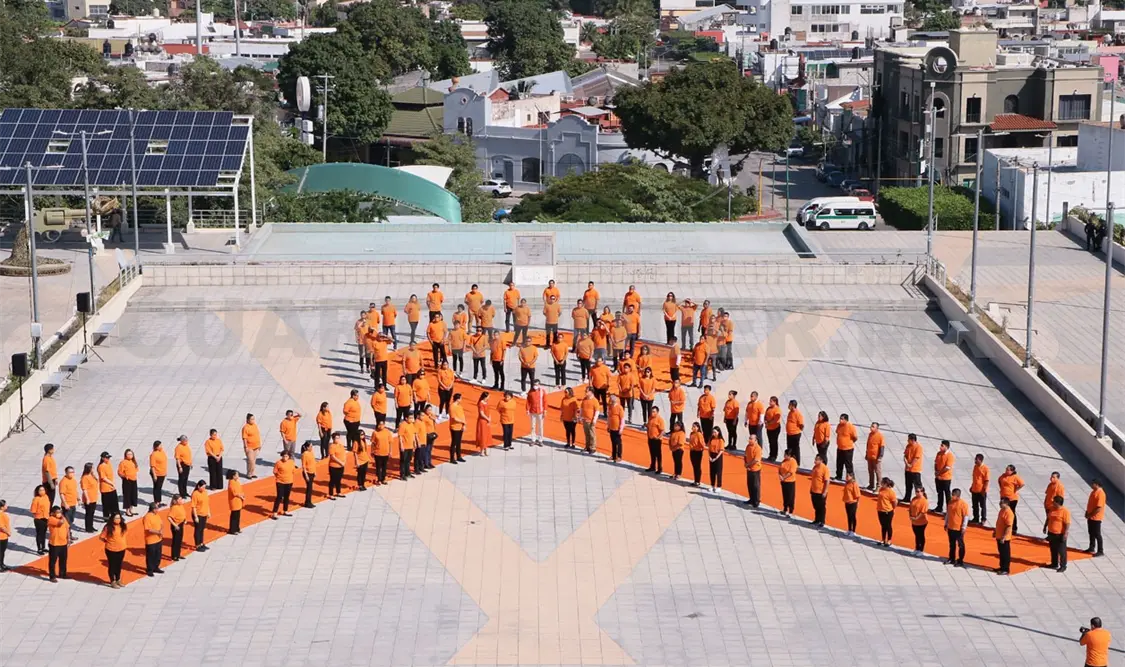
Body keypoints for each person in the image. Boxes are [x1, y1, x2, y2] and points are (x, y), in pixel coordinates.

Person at [101, 512, 128, 588]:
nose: (118, 520)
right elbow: (101, 537)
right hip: (111, 549)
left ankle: (118, 579)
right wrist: (108, 541)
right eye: (116, 518)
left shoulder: (123, 526)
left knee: (119, 565)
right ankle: (112, 581)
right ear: (112, 519)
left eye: (119, 518)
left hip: (121, 548)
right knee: (112, 565)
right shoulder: (108, 527)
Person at [1045, 495, 1070, 572]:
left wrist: (1065, 534)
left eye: (1054, 502)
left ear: (1058, 503)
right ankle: (1054, 563)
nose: (1052, 503)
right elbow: (1048, 518)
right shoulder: (1052, 508)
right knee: (1053, 549)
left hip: (1060, 534)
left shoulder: (1065, 511)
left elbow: (1067, 524)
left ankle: (1063, 565)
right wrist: (1045, 526)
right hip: (1051, 533)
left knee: (1061, 551)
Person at [998, 465, 1025, 534]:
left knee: (1011, 512)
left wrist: (1016, 489)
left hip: (1012, 498)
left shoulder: (1015, 477)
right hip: (1004, 496)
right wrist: (1002, 489)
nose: (1006, 471)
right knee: (1003, 512)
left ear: (1012, 471)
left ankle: (1013, 528)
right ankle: (1004, 526)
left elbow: (1022, 484)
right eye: (1006, 469)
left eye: (1008, 470)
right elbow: (999, 480)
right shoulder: (1003, 475)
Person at [45, 505, 68, 582]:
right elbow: (60, 523)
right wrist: (62, 517)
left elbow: (67, 527)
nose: (59, 514)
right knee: (52, 561)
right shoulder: (51, 519)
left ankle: (62, 574)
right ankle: (52, 576)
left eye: (60, 512)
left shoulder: (63, 518)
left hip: (63, 543)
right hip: (54, 544)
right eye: (58, 512)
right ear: (52, 513)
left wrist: (68, 538)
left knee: (63, 560)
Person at [945, 488, 969, 566]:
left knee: (960, 545)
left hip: (958, 528)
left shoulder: (963, 504)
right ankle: (951, 558)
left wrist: (964, 527)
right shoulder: (950, 502)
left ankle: (960, 560)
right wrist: (946, 523)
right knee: (951, 544)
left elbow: (966, 516)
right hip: (951, 527)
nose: (952, 496)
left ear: (958, 495)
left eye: (953, 495)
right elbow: (948, 513)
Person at [142, 502, 165, 576]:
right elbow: (148, 529)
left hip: (158, 539)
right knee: (150, 555)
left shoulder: (157, 515)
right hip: (151, 540)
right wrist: (158, 532)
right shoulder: (147, 517)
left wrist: (161, 530)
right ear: (153, 509)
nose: (158, 509)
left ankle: (156, 567)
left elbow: (161, 523)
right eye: (157, 508)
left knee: (158, 554)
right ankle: (150, 570)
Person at [933, 440, 954, 514]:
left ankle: (949, 509)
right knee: (939, 492)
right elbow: (935, 463)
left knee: (947, 494)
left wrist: (939, 473)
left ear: (946, 447)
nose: (940, 447)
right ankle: (939, 507)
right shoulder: (939, 453)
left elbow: (947, 467)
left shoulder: (950, 456)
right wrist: (936, 471)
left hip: (946, 478)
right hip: (938, 477)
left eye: (942, 446)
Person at [834, 414, 857, 480]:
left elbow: (855, 437)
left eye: (842, 419)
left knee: (848, 464)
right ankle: (838, 476)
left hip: (848, 449)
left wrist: (849, 443)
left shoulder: (850, 427)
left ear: (846, 420)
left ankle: (851, 478)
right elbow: (837, 433)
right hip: (840, 448)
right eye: (840, 418)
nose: (840, 420)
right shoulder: (839, 426)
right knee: (839, 463)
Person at [1085, 480, 1105, 556]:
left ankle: (1100, 550)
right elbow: (1090, 503)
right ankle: (1091, 547)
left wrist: (1090, 514)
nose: (1091, 485)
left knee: (1097, 534)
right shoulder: (1093, 492)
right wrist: (1087, 512)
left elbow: (1099, 508)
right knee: (1091, 533)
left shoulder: (1101, 494)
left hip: (1096, 517)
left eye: (1092, 484)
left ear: (1097, 484)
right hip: (1090, 516)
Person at [994, 497, 1014, 575]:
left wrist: (1004, 537)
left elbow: (1008, 526)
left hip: (1004, 538)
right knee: (1001, 552)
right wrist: (996, 531)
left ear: (1006, 503)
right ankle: (1001, 567)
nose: (1000, 504)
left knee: (1005, 553)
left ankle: (1006, 569)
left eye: (1001, 503)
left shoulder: (1009, 513)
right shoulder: (1002, 510)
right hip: (999, 535)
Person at [741, 434, 762, 507]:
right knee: (750, 484)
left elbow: (756, 460)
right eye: (749, 438)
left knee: (756, 485)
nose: (749, 440)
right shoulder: (748, 446)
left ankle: (756, 501)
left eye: (751, 439)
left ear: (755, 440)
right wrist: (746, 464)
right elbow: (745, 455)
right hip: (749, 468)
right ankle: (751, 499)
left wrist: (748, 464)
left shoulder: (758, 448)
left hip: (755, 469)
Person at [58, 467, 78, 542]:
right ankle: (66, 537)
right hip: (67, 505)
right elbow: (62, 494)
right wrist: (65, 503)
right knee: (67, 522)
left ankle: (69, 534)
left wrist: (78, 499)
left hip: (73, 504)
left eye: (73, 472)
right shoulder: (63, 482)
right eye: (70, 472)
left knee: (71, 521)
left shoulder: (73, 480)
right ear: (66, 473)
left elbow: (75, 491)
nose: (72, 474)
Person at [642, 405, 665, 471]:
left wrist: (658, 437)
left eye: (654, 412)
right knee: (652, 453)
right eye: (651, 411)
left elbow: (663, 431)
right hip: (650, 438)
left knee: (658, 454)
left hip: (656, 439)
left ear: (657, 412)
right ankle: (652, 466)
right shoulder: (650, 418)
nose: (652, 413)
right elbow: (649, 426)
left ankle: (659, 468)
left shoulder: (660, 420)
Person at [118, 449, 139, 517]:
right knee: (127, 496)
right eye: (128, 454)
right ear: (125, 455)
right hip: (127, 481)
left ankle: (131, 509)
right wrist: (124, 476)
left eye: (131, 454)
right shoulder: (123, 462)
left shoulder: (133, 462)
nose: (130, 455)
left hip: (134, 480)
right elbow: (120, 472)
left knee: (133, 495)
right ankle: (127, 511)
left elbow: (136, 469)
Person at [97, 451, 119, 519]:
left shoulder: (108, 464)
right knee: (106, 503)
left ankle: (115, 515)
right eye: (107, 458)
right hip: (105, 487)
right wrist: (111, 483)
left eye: (108, 458)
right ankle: (106, 517)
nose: (108, 459)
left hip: (111, 486)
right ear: (103, 458)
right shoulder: (101, 466)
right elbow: (103, 478)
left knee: (114, 502)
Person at [190, 480, 210, 552]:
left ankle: (201, 543)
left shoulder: (205, 492)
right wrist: (195, 517)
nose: (204, 488)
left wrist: (208, 512)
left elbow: (207, 503)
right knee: (198, 530)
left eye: (205, 487)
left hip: (204, 514)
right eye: (203, 487)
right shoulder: (195, 494)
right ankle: (197, 545)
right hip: (198, 514)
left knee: (202, 529)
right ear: (198, 486)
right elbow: (193, 507)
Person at [876, 478, 897, 547]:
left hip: (888, 511)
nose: (881, 484)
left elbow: (894, 502)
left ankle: (889, 540)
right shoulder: (881, 489)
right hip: (880, 510)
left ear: (886, 484)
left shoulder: (891, 492)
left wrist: (892, 509)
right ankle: (883, 539)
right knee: (883, 525)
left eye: (882, 483)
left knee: (888, 526)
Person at [809, 454, 829, 526]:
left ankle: (822, 521)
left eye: (817, 459)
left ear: (821, 460)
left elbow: (827, 481)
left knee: (821, 507)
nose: (815, 461)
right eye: (815, 459)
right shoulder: (815, 467)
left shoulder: (824, 468)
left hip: (821, 491)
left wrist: (825, 491)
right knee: (816, 506)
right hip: (814, 490)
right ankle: (817, 520)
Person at [526, 380, 547, 446]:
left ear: (539, 385)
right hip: (533, 411)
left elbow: (545, 401)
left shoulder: (542, 391)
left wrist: (545, 410)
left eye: (537, 384)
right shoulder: (530, 391)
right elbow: (528, 401)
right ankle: (533, 439)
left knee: (540, 426)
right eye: (534, 384)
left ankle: (540, 440)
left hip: (540, 411)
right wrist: (527, 410)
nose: (535, 386)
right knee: (533, 426)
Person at [864, 422, 884, 491]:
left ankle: (879, 485)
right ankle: (871, 484)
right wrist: (866, 454)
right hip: (870, 456)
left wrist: (880, 457)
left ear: (877, 428)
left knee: (877, 472)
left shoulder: (880, 436)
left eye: (873, 427)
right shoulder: (870, 434)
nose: (871, 428)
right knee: (870, 471)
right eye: (871, 426)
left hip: (876, 458)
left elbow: (882, 447)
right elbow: (868, 444)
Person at [79, 463, 99, 533]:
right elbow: (84, 489)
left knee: (92, 513)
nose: (93, 469)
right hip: (89, 498)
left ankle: (91, 526)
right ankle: (88, 528)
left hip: (93, 497)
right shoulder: (85, 477)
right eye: (92, 468)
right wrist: (87, 499)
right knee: (89, 513)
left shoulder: (92, 475)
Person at [605, 396, 625, 463]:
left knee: (618, 443)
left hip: (617, 428)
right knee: (613, 442)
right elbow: (609, 417)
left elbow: (622, 419)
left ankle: (619, 456)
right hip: (611, 427)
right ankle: (613, 456)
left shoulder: (619, 408)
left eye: (611, 400)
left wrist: (621, 428)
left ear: (615, 401)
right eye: (610, 400)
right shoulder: (610, 407)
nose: (610, 401)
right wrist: (608, 426)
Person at [580, 389, 600, 454]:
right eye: (585, 391)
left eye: (587, 391)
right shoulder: (584, 399)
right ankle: (587, 446)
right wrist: (580, 417)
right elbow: (581, 409)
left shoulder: (595, 401)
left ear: (591, 392)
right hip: (584, 420)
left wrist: (594, 420)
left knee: (592, 435)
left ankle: (593, 447)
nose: (585, 392)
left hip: (590, 421)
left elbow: (597, 411)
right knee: (587, 434)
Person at [903, 433, 923, 499]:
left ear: (913, 440)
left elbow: (916, 458)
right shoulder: (908, 446)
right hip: (908, 469)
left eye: (908, 439)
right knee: (908, 484)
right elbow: (905, 455)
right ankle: (907, 497)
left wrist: (911, 465)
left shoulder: (918, 447)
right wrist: (906, 463)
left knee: (917, 485)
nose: (907, 441)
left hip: (915, 470)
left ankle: (920, 498)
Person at [909, 487, 929, 552]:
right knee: (916, 535)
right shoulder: (914, 499)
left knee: (921, 535)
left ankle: (921, 549)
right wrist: (910, 516)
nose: (917, 493)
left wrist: (916, 518)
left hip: (921, 522)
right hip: (914, 521)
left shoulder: (924, 501)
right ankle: (917, 548)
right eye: (916, 491)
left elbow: (923, 512)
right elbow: (910, 508)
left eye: (918, 491)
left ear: (922, 492)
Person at [241, 414, 261, 479]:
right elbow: (244, 438)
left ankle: (252, 473)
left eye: (253, 419)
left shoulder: (255, 426)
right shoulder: (245, 428)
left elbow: (257, 435)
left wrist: (259, 444)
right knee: (250, 460)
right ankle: (249, 474)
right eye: (251, 419)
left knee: (254, 461)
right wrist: (245, 447)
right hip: (249, 447)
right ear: (248, 420)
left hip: (256, 446)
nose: (253, 420)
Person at [785, 400, 804, 465]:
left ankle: (797, 463)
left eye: (790, 405)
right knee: (789, 448)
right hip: (789, 434)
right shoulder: (790, 412)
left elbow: (801, 425)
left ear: (793, 406)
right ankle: (790, 461)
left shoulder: (798, 414)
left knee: (795, 449)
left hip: (795, 434)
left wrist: (796, 430)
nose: (788, 406)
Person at [31, 485, 50, 554]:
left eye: (43, 490)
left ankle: (43, 547)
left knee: (44, 533)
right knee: (39, 534)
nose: (42, 491)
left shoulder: (46, 497)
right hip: (39, 519)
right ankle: (39, 548)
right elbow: (33, 510)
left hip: (46, 518)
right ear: (37, 491)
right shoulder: (36, 499)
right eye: (40, 490)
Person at [326, 433, 346, 498]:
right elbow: (332, 457)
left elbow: (344, 453)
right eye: (336, 438)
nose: (338, 439)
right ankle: (330, 494)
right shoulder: (332, 446)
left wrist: (344, 461)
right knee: (333, 480)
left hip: (341, 466)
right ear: (333, 439)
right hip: (334, 466)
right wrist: (340, 462)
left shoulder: (341, 445)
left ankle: (338, 492)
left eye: (338, 438)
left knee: (339, 480)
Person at [225, 470, 245, 534]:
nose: (238, 476)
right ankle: (232, 530)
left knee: (238, 516)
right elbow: (234, 493)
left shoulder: (236, 482)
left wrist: (242, 494)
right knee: (234, 516)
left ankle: (237, 528)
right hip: (234, 502)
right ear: (233, 476)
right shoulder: (231, 483)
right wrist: (241, 496)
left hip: (238, 501)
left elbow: (240, 489)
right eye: (237, 475)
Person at [778, 451, 797, 515]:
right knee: (785, 496)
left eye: (786, 455)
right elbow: (780, 468)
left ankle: (791, 511)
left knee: (790, 496)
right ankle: (785, 509)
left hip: (790, 482)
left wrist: (784, 477)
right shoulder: (784, 461)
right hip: (784, 482)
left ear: (789, 455)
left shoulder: (793, 462)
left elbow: (791, 472)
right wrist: (780, 475)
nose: (784, 456)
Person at [168, 495, 186, 561]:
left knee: (179, 540)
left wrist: (184, 520)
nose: (181, 501)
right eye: (180, 499)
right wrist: (175, 525)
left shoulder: (180, 506)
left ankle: (178, 554)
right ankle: (174, 556)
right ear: (176, 501)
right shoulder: (174, 508)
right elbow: (169, 518)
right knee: (176, 541)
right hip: (176, 525)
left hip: (181, 524)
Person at [149, 440, 168, 506]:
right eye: (160, 445)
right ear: (156, 447)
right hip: (157, 473)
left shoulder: (162, 452)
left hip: (162, 473)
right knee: (157, 488)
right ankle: (156, 502)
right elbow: (152, 466)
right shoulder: (153, 454)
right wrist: (154, 475)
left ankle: (159, 501)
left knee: (159, 488)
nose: (161, 446)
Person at [764, 397, 782, 461]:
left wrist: (769, 423)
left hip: (775, 428)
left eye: (771, 401)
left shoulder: (777, 409)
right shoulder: (768, 408)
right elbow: (765, 416)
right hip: (769, 428)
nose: (770, 402)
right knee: (770, 442)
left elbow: (776, 420)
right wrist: (765, 421)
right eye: (770, 401)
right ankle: (771, 454)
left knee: (774, 442)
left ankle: (774, 455)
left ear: (775, 402)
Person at [419, 407, 437, 472]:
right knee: (426, 450)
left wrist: (432, 417)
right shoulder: (424, 417)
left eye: (430, 409)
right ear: (425, 410)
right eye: (428, 409)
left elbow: (436, 420)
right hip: (427, 435)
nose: (430, 411)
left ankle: (429, 462)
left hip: (432, 434)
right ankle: (426, 463)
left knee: (430, 449)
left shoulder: (431, 415)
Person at [300, 442, 317, 507]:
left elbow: (313, 462)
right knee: (309, 488)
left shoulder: (311, 453)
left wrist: (315, 471)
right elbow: (303, 465)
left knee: (310, 488)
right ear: (307, 447)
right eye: (310, 446)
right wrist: (306, 475)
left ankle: (309, 501)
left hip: (312, 472)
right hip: (308, 473)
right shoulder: (304, 454)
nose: (311, 448)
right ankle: (307, 502)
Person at [0, 500, 9, 572]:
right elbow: (2, 527)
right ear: (2, 507)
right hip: (1, 536)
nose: (7, 506)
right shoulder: (1, 515)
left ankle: (2, 564)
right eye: (5, 505)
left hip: (4, 536)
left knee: (2, 551)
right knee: (1, 552)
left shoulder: (3, 514)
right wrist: (8, 532)